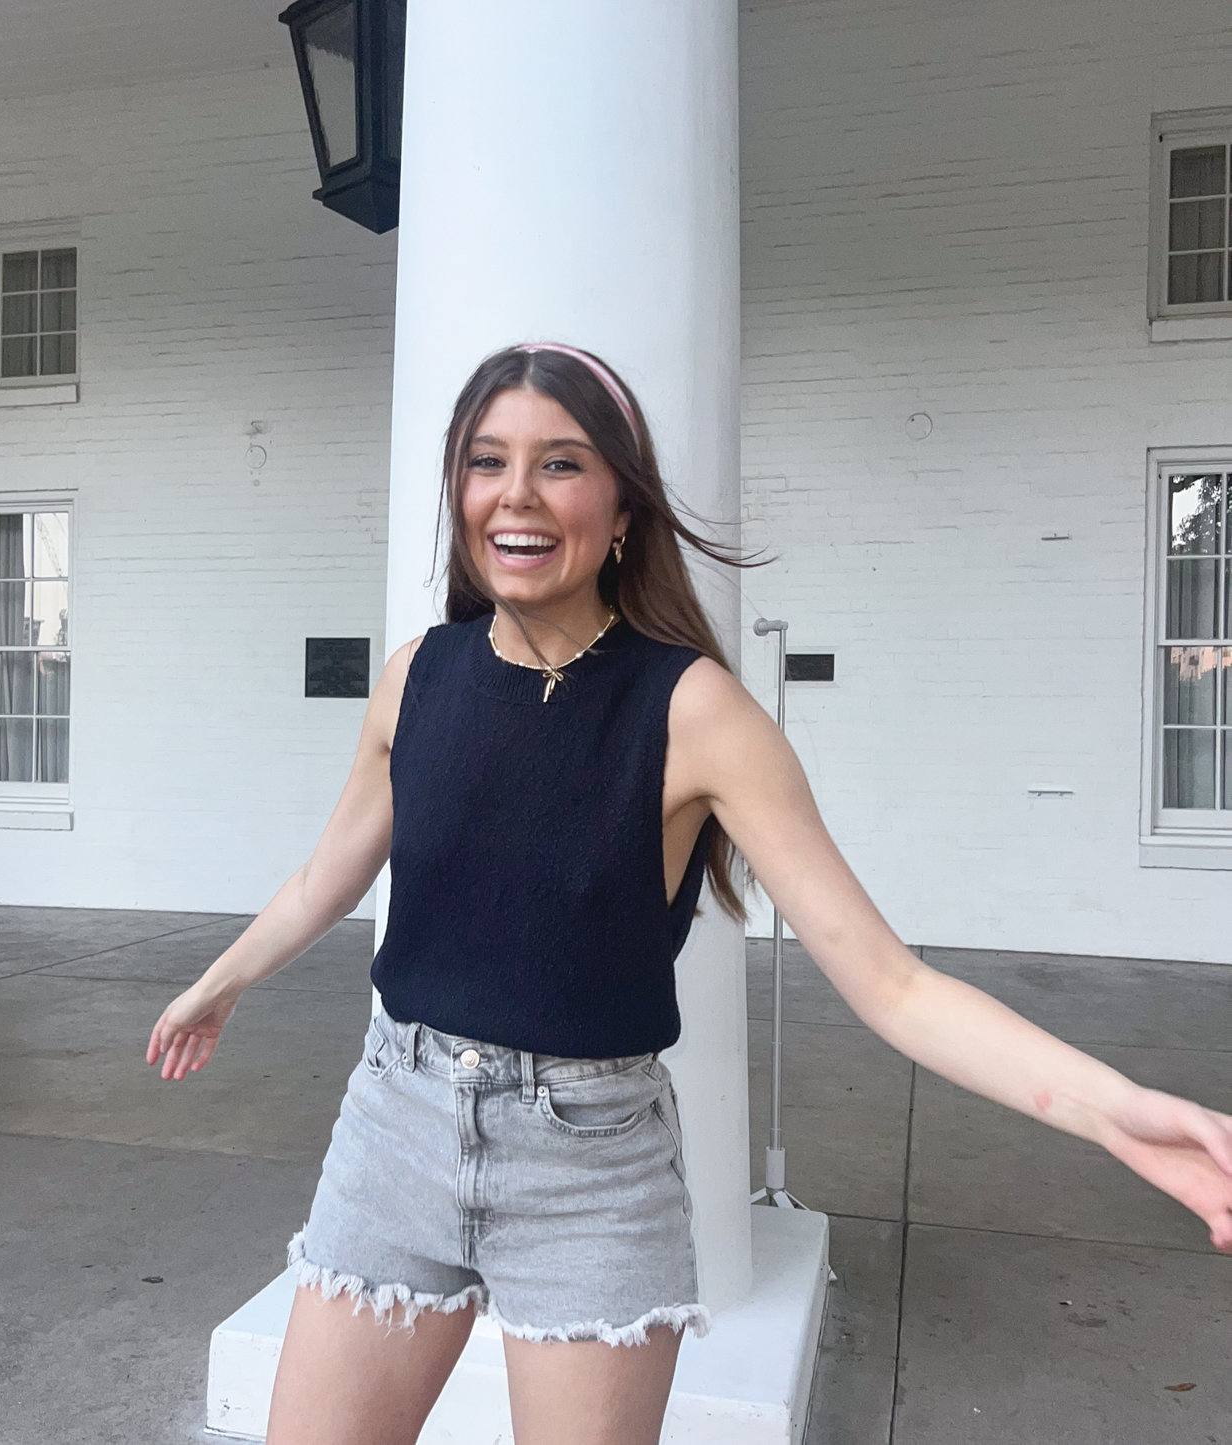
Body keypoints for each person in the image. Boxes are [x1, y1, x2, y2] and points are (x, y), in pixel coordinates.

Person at [147, 342, 1232, 1445]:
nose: (516, 494)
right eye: (487, 461)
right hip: (398, 1120)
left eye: (561, 463)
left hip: (588, 1163)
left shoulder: (692, 708)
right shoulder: (417, 673)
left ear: (621, 507)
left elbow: (893, 985)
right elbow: (325, 875)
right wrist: (218, 982)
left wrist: (1113, 1112)